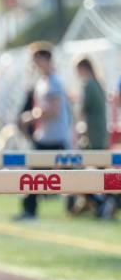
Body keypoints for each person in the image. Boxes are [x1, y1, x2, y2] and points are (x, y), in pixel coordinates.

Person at [15, 41, 72, 221]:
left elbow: (54, 110)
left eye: (36, 59)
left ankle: (95, 202)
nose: (34, 64)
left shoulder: (54, 82)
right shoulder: (41, 82)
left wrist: (30, 117)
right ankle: (30, 210)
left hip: (56, 137)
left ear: (46, 59)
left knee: (73, 177)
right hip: (44, 137)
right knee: (33, 175)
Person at [71, 56, 110, 216]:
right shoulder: (98, 83)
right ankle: (96, 201)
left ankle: (99, 201)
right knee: (101, 171)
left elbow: (82, 111)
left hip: (91, 136)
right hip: (100, 134)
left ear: (82, 68)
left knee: (79, 169)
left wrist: (77, 130)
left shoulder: (88, 84)